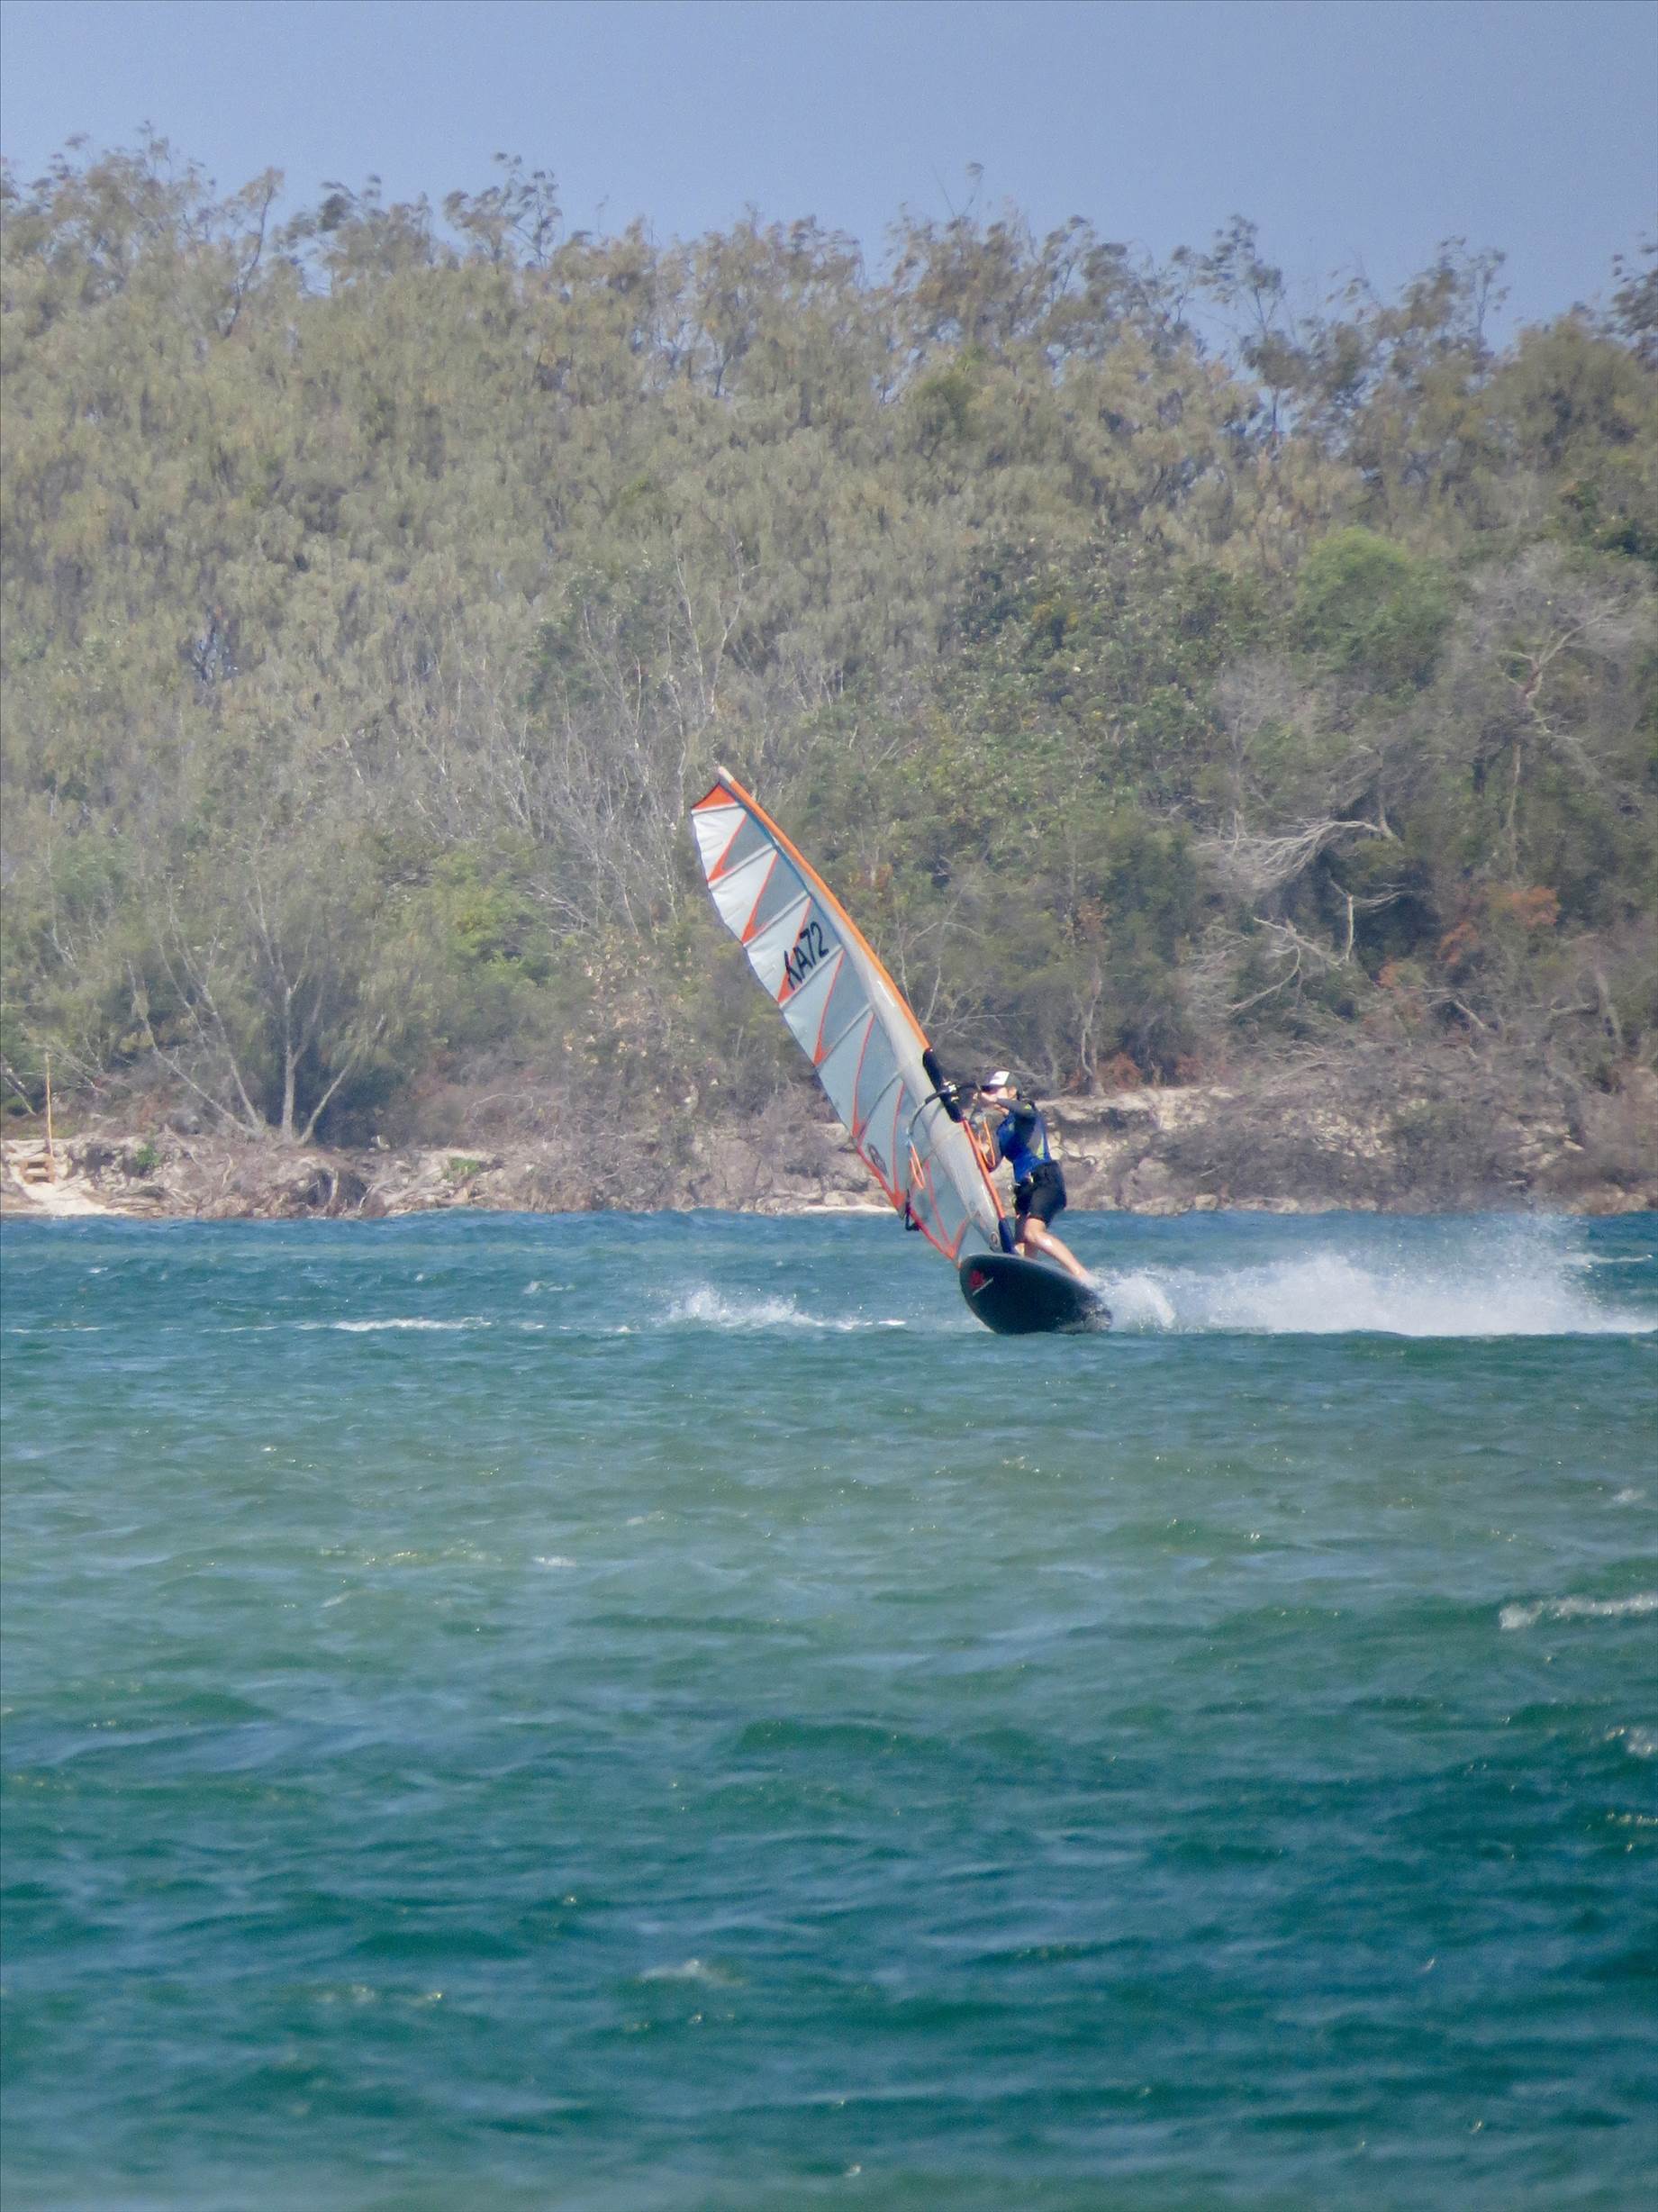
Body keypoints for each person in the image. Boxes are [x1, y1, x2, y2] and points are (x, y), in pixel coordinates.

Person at [976, 1072, 1092, 1283]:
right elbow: (990, 1164)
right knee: (1019, 1250)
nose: (990, 1094)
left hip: (1045, 1180)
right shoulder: (1002, 1130)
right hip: (1023, 1190)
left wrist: (995, 1100)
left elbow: (1024, 1111)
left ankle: (1082, 1276)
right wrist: (974, 1141)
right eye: (988, 1090)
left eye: (995, 1089)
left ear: (1012, 1091)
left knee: (1033, 1234)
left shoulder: (1027, 1110)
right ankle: (1028, 1287)